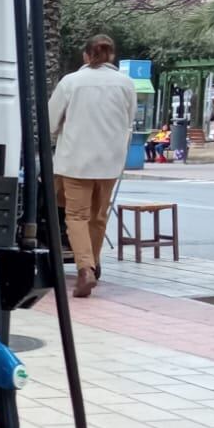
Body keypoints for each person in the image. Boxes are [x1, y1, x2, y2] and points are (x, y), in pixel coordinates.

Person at [48, 35, 138, 297]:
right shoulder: (126, 84)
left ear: (86, 55)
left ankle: (85, 268)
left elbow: (51, 121)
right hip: (110, 161)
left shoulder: (72, 82)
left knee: (76, 216)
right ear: (111, 56)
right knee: (99, 217)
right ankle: (94, 263)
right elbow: (129, 119)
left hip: (76, 160)